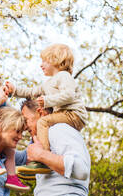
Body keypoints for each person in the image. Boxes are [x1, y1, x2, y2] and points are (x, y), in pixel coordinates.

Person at [6, 44, 87, 173]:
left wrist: (47, 101)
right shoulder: (48, 83)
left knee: (43, 122)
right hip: (65, 114)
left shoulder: (64, 76)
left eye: (44, 61)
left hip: (74, 114)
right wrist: (14, 90)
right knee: (45, 123)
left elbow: (69, 95)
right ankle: (39, 158)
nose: (41, 64)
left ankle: (41, 157)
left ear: (56, 60)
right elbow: (31, 92)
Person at [18, 99, 90, 196]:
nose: (24, 127)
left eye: (26, 120)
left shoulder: (58, 129)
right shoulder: (44, 139)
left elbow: (81, 169)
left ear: (41, 113)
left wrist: (41, 154)